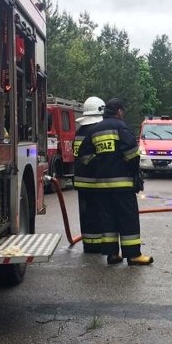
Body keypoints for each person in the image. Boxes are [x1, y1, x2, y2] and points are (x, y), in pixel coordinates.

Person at [76, 98, 153, 266]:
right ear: (119, 111)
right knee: (128, 218)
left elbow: (83, 155)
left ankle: (112, 255)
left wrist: (100, 165)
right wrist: (133, 171)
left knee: (108, 219)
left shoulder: (95, 129)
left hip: (102, 185)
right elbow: (132, 152)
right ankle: (133, 255)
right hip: (122, 184)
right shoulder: (121, 127)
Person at [72, 96, 106, 254]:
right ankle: (96, 246)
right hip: (94, 181)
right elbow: (90, 157)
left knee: (85, 214)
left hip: (81, 180)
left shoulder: (80, 131)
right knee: (97, 214)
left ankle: (89, 244)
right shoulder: (95, 132)